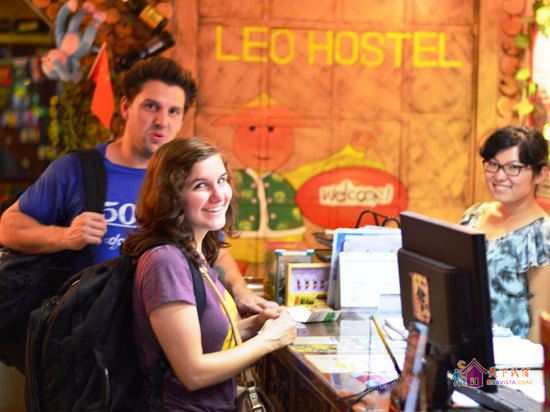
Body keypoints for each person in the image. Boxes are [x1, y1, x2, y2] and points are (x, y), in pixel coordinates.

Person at [0, 56, 272, 315]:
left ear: (181, 120)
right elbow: (8, 227)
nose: (161, 121)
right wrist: (65, 237)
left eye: (174, 111)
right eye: (151, 106)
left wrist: (240, 292)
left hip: (163, 329)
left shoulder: (188, 178)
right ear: (125, 107)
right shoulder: (76, 169)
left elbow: (214, 249)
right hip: (88, 332)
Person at [122, 137, 297, 410]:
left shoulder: (194, 252)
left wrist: (258, 324)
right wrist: (268, 341)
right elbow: (193, 373)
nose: (219, 195)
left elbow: (205, 337)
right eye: (200, 185)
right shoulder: (165, 261)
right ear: (171, 196)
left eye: (222, 180)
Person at [459, 125, 549, 342]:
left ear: (540, 174)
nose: (499, 176)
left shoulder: (542, 234)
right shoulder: (474, 214)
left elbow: (540, 320)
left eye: (514, 167)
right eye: (493, 164)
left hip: (507, 357)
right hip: (463, 348)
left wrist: (528, 363)